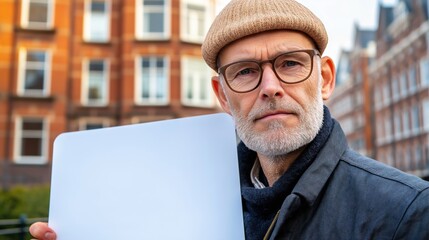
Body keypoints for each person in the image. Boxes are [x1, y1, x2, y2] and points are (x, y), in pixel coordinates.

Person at [30, 0, 429, 239]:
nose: (270, 87)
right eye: (245, 72)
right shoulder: (190, 209)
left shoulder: (406, 212)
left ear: (324, 78)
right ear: (223, 95)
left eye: (290, 64)